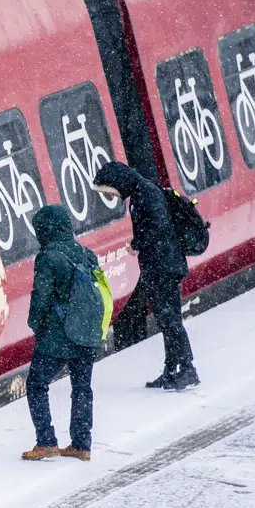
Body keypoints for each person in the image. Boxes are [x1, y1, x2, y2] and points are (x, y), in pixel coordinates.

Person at [91, 161, 199, 390]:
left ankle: (189, 370)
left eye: (110, 191)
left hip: (165, 267)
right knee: (166, 320)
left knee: (171, 321)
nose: (112, 196)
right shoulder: (140, 193)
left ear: (118, 182)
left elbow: (160, 226)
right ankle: (171, 369)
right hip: (158, 266)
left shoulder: (146, 192)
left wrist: (137, 244)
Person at [22, 204, 101, 462]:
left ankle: (46, 441)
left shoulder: (48, 257)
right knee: (82, 387)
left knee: (36, 384)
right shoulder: (86, 254)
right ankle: (81, 443)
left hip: (58, 335)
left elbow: (41, 296)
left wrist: (35, 324)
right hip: (87, 330)